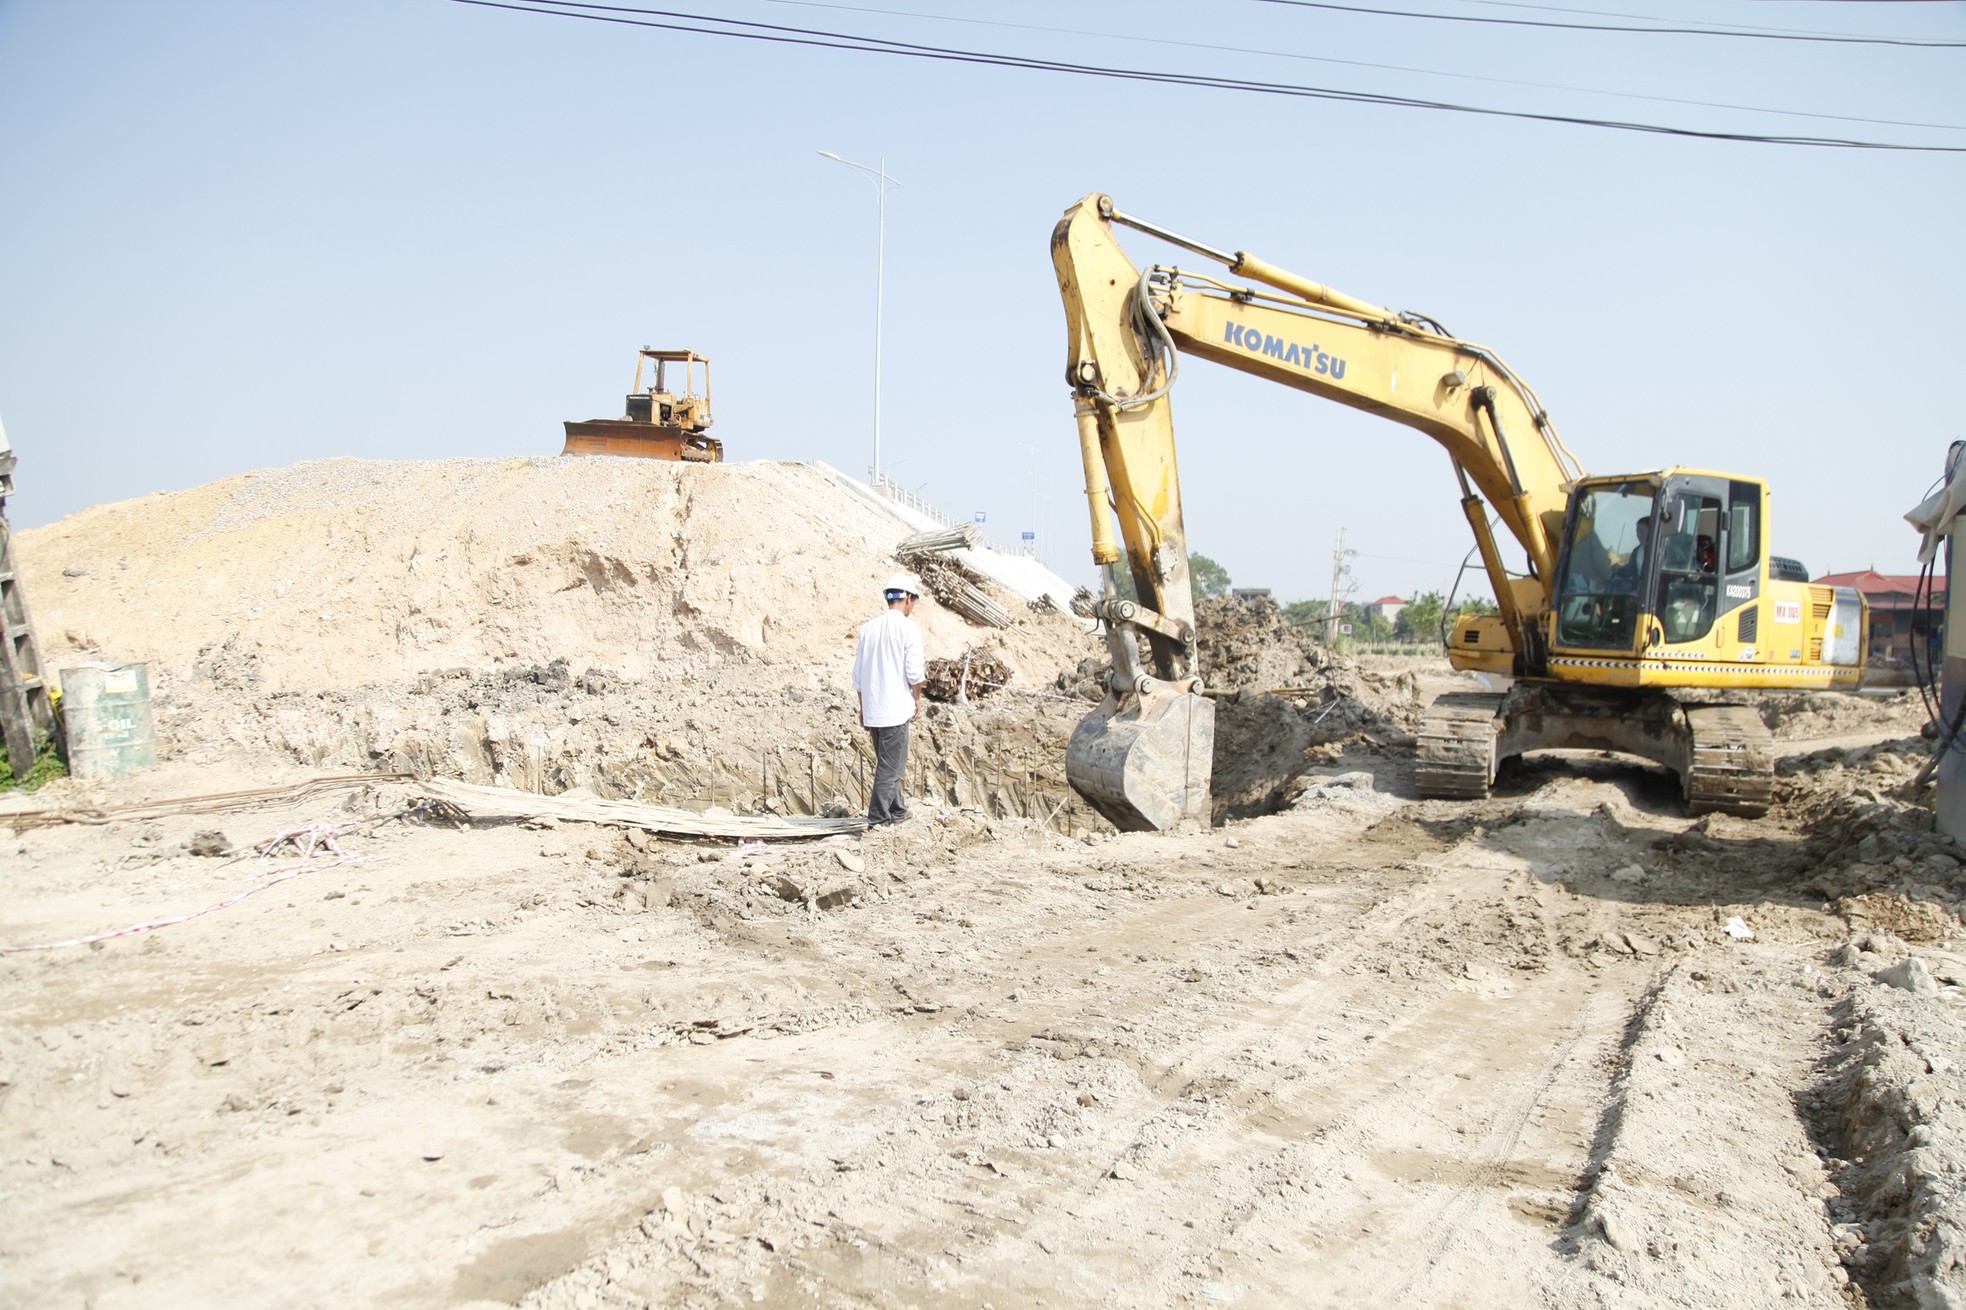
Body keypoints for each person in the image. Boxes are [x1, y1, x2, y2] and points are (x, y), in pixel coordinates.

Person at [852, 572, 926, 826]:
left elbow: (858, 675)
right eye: (913, 601)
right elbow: (915, 673)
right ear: (907, 599)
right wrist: (917, 699)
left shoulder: (868, 628)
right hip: (895, 709)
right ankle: (878, 817)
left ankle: (897, 810)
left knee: (887, 763)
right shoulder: (909, 629)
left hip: (874, 709)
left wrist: (863, 708)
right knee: (891, 768)